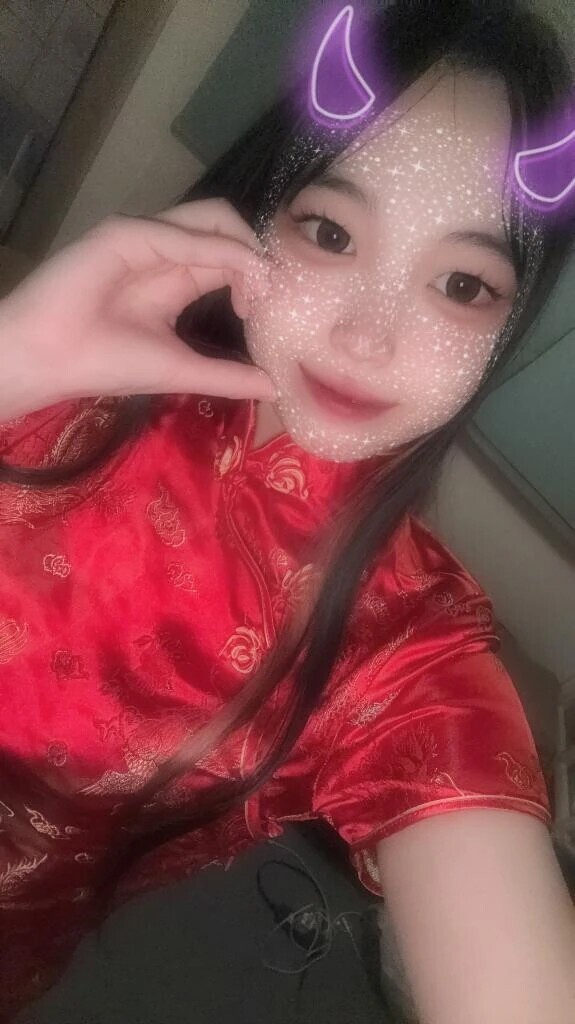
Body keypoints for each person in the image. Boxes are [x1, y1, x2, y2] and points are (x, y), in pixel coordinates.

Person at [0, 0, 574, 1020]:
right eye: (330, 231)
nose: (366, 335)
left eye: (459, 283)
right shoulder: (70, 382)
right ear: (260, 216)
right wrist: (11, 364)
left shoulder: (407, 647)